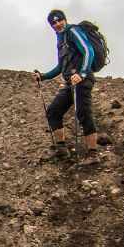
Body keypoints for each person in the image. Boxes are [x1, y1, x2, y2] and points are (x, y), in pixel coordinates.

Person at [33, 9, 100, 166]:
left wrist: (82, 73)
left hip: (82, 80)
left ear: (65, 19)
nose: (57, 24)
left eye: (59, 20)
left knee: (83, 113)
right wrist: (43, 76)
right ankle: (61, 149)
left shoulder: (73, 31)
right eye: (53, 23)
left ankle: (93, 154)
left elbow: (88, 51)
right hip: (70, 82)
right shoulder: (61, 39)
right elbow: (61, 66)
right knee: (53, 111)